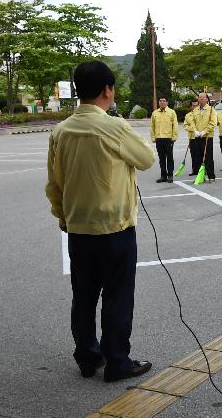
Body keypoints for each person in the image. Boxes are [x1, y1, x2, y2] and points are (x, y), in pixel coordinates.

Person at [45, 60, 154, 382]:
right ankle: (118, 361)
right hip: (114, 228)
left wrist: (62, 217)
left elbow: (54, 183)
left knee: (83, 296)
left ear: (78, 91)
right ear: (108, 90)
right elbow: (146, 159)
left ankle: (87, 357)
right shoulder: (114, 126)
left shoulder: (61, 131)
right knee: (117, 297)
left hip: (77, 228)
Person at [149, 97, 177, 183]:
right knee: (161, 158)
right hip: (159, 139)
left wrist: (174, 137)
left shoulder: (172, 112)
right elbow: (152, 126)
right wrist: (153, 137)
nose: (162, 102)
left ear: (167, 102)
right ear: (159, 102)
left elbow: (175, 125)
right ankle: (163, 176)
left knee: (169, 157)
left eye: (164, 101)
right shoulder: (155, 113)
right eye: (160, 101)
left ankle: (170, 175)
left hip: (168, 139)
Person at [190, 93, 217, 182]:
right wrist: (195, 131)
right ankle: (200, 176)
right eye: (200, 97)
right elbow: (192, 122)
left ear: (207, 99)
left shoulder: (211, 110)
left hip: (207, 136)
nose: (201, 99)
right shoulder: (195, 110)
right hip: (197, 136)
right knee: (198, 157)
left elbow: (213, 122)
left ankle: (211, 176)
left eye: (203, 97)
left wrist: (205, 131)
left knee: (208, 157)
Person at [183, 100, 199, 175]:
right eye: (193, 105)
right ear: (191, 106)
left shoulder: (201, 114)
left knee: (201, 154)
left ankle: (203, 170)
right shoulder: (188, 115)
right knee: (194, 154)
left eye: (196, 105)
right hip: (192, 137)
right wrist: (192, 129)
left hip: (201, 136)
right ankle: (195, 170)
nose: (195, 107)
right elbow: (185, 126)